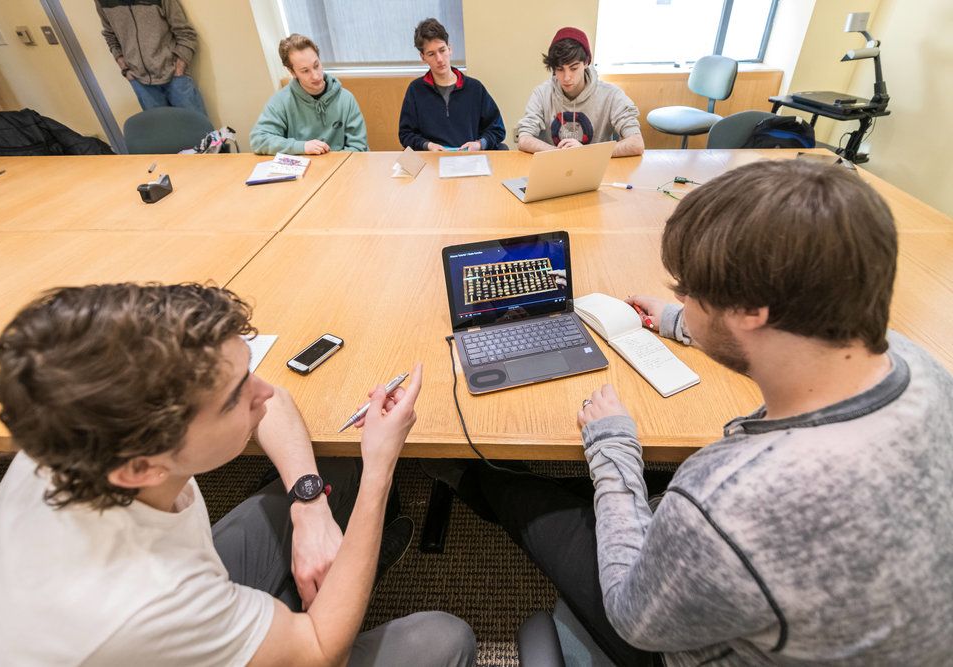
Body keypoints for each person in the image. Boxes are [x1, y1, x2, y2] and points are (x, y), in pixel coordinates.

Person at [435, 160, 953, 665]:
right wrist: (684, 322)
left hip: (666, 638)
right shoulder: (918, 364)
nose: (680, 298)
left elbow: (633, 617)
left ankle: (474, 479)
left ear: (751, 313)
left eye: (686, 292)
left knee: (529, 493)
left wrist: (612, 446)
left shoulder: (724, 500)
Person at [0, 283, 475, 666]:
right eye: (235, 398)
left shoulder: (76, 421)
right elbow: (321, 649)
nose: (264, 393)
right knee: (442, 640)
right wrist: (382, 468)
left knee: (326, 470)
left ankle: (325, 579)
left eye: (247, 371)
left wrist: (311, 508)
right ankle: (324, 592)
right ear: (143, 467)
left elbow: (276, 402)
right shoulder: (151, 600)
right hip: (152, 625)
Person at [517, 27, 644, 157]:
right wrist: (558, 152)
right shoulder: (542, 93)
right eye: (560, 69)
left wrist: (584, 152)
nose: (566, 77)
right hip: (554, 168)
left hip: (595, 170)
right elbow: (524, 139)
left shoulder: (611, 95)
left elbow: (636, 143)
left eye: (574, 68)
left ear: (586, 62)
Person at [398, 18, 505, 152]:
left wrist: (479, 144)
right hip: (432, 162)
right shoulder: (415, 90)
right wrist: (428, 145)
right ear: (422, 57)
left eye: (442, 50)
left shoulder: (475, 88)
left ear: (450, 49)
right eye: (431, 54)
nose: (439, 59)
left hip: (470, 159)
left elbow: (497, 129)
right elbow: (406, 134)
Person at [251, 34, 368, 156]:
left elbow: (359, 148)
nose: (316, 76)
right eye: (305, 71)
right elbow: (259, 140)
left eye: (316, 65)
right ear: (292, 72)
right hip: (303, 171)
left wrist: (328, 165)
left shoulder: (346, 99)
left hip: (342, 168)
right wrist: (302, 147)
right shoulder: (280, 101)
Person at [95, 0, 208, 119]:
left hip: (175, 77)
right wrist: (125, 69)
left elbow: (186, 34)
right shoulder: (102, 2)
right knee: (164, 134)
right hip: (141, 84)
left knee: (200, 132)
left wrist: (179, 69)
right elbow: (110, 36)